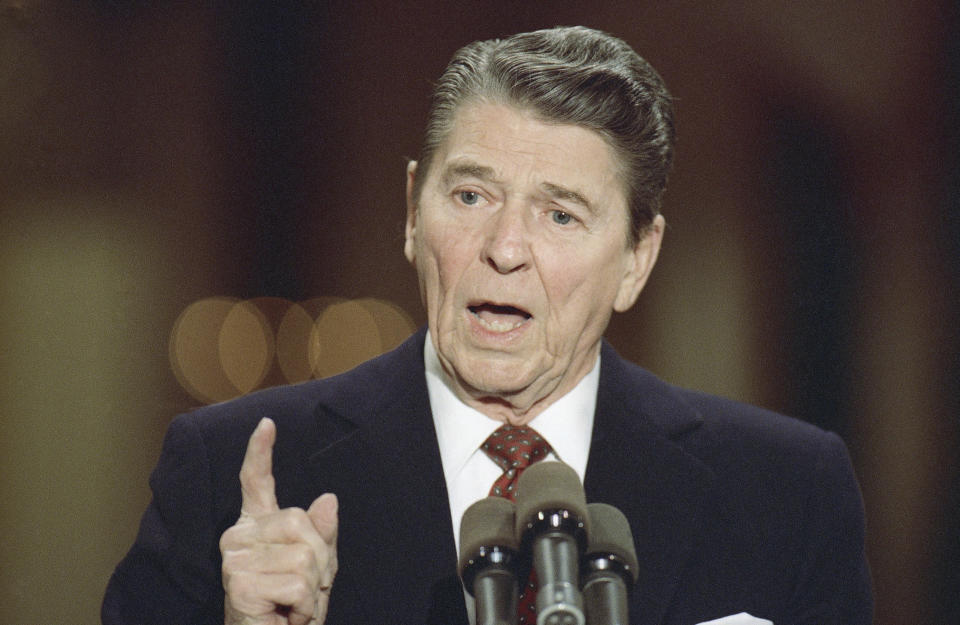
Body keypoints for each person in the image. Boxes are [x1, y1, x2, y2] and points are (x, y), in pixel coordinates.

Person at [102, 26, 872, 625]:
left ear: (639, 257)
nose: (504, 249)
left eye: (561, 214)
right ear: (412, 210)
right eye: (471, 196)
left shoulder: (787, 492)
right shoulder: (227, 479)